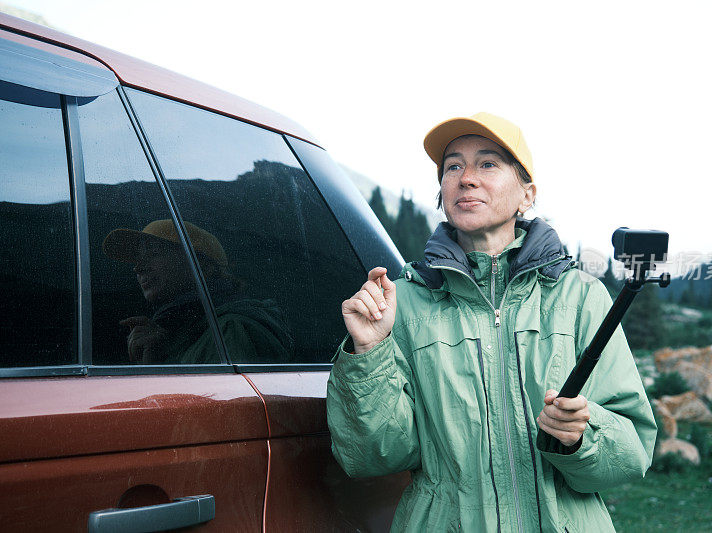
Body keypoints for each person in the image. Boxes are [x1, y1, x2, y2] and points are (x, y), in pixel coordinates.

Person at [326, 112, 657, 532]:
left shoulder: (581, 297)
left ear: (527, 194)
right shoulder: (401, 303)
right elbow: (374, 456)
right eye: (452, 167)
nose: (466, 178)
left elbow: (631, 454)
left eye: (487, 163)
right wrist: (368, 352)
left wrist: (582, 434)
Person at [103, 219, 293, 364]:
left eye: (153, 253)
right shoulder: (187, 332)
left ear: (201, 265)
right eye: (138, 258)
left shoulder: (231, 330)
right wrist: (159, 357)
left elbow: (224, 409)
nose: (138, 268)